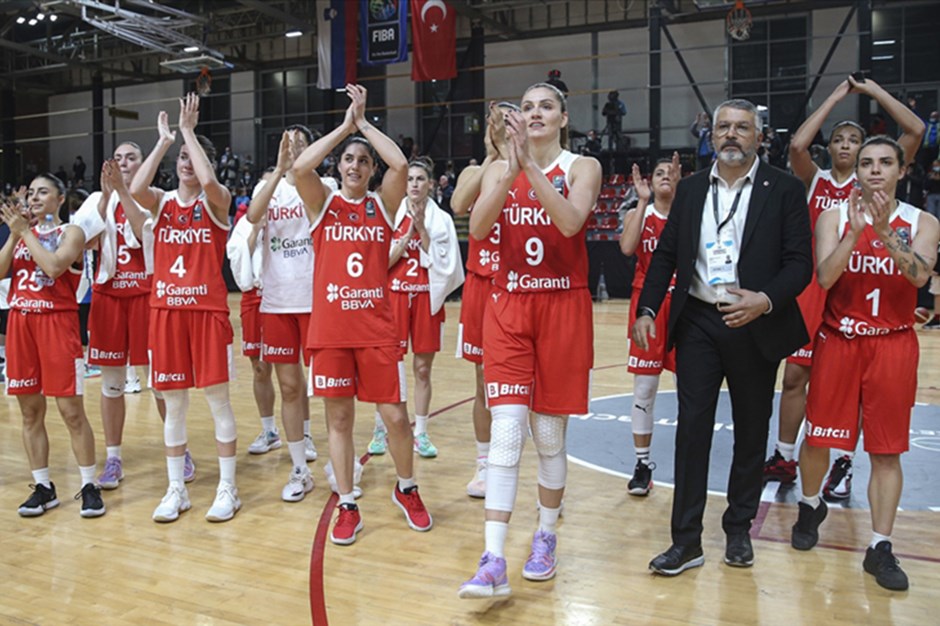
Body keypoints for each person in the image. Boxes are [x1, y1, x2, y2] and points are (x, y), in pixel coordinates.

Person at [634, 99, 812, 576]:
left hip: (754, 321)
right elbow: (667, 255)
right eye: (724, 127)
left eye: (742, 128)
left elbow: (800, 264)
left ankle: (738, 529)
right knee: (692, 429)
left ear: (759, 136)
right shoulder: (691, 190)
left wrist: (764, 300)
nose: (732, 135)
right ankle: (686, 541)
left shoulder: (786, 190)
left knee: (752, 431)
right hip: (698, 322)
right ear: (711, 136)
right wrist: (648, 307)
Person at [458, 82, 601, 598]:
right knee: (507, 429)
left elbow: (568, 222)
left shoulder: (582, 167)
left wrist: (530, 168)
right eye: (526, 107)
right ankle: (493, 556)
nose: (535, 113)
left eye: (545, 106)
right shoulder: (499, 168)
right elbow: (476, 229)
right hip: (511, 304)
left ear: (563, 118)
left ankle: (545, 535)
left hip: (563, 305)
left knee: (548, 437)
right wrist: (510, 167)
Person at [763, 76, 926, 501]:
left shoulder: (876, 178)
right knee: (796, 374)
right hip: (821, 282)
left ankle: (844, 463)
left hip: (863, 293)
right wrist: (837, 96)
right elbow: (797, 145)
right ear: (833, 149)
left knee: (859, 387)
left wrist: (873, 93)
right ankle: (785, 455)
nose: (848, 145)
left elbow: (915, 132)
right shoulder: (817, 181)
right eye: (841, 138)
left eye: (856, 139)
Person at [790, 136, 939, 592]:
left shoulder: (923, 221)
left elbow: (918, 275)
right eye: (866, 163)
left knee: (885, 449)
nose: (875, 170)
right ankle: (810, 503)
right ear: (855, 171)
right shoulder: (834, 217)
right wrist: (856, 233)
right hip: (840, 341)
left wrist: (884, 230)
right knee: (818, 437)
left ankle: (879, 546)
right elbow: (825, 276)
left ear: (901, 171)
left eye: (885, 162)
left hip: (892, 344)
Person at [292, 84, 432, 545]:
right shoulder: (323, 204)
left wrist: (365, 123)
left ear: (371, 171)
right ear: (340, 167)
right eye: (349, 160)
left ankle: (406, 487)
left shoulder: (381, 205)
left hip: (375, 328)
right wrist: (343, 129)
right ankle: (347, 502)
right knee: (339, 421)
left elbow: (401, 165)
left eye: (363, 161)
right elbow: (299, 166)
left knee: (394, 416)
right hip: (331, 332)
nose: (355, 166)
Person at [128, 94, 240, 523]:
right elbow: (136, 189)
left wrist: (190, 133)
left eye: (193, 158)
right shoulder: (163, 201)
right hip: (166, 313)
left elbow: (211, 185)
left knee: (217, 402)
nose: (186, 163)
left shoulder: (217, 201)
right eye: (183, 158)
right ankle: (177, 488)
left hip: (207, 314)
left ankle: (227, 487)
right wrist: (163, 142)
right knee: (173, 406)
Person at [0, 173, 105, 518]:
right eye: (30, 193)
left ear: (60, 199)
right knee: (30, 412)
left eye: (42, 192)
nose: (34, 198)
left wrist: (24, 232)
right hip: (21, 323)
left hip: (57, 325)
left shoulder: (70, 232)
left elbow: (56, 266)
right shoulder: (20, 235)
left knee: (71, 412)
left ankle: (89, 485)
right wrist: (16, 235)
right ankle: (43, 487)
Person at [78, 144, 180, 490]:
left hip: (146, 295)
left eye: (131, 157)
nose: (123, 163)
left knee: (160, 380)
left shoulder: (157, 197)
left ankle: (178, 451)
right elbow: (84, 240)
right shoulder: (95, 199)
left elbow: (143, 234)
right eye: (118, 158)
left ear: (144, 163)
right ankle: (113, 458)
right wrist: (107, 198)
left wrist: (122, 192)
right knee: (111, 384)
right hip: (108, 298)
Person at [244, 124, 329, 501]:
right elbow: (251, 219)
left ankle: (339, 465)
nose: (293, 147)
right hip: (278, 302)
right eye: (287, 142)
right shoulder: (270, 189)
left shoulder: (325, 185)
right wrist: (279, 171)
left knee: (331, 388)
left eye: (300, 143)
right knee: (290, 387)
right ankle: (298, 469)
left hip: (318, 300)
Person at [368, 157, 463, 459]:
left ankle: (420, 432)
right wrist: (408, 233)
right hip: (394, 297)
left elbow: (447, 266)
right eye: (409, 179)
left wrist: (423, 231)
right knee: (387, 368)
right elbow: (381, 263)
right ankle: (381, 429)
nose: (414, 184)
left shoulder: (442, 219)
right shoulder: (390, 215)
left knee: (422, 369)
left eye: (420, 179)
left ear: (431, 184)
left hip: (425, 298)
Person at [451, 101, 517, 498]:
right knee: (482, 381)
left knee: (523, 381)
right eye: (495, 122)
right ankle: (484, 464)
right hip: (480, 283)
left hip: (514, 281)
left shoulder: (531, 169)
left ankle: (528, 464)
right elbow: (459, 205)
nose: (500, 127)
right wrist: (491, 155)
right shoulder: (476, 171)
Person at [619, 155, 680, 496]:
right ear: (648, 181)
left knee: (690, 389)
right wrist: (641, 202)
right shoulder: (637, 214)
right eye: (659, 173)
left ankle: (688, 461)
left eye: (671, 172)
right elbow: (627, 248)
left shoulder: (689, 215)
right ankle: (642, 464)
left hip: (684, 305)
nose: (665, 177)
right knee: (644, 389)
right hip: (647, 308)